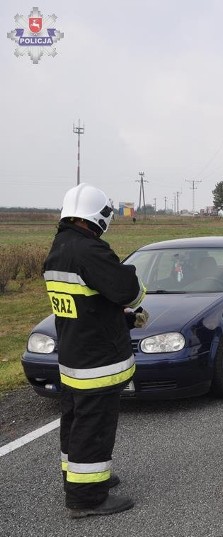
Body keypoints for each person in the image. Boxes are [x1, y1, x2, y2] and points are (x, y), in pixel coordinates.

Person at [44, 183, 148, 518]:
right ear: (98, 216)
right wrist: (130, 283)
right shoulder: (90, 250)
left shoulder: (59, 248)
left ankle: (79, 478)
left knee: (75, 422)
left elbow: (85, 302)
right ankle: (87, 499)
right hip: (98, 361)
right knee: (95, 427)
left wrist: (117, 315)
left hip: (74, 356)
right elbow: (128, 290)